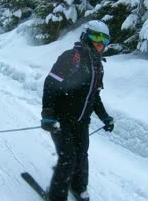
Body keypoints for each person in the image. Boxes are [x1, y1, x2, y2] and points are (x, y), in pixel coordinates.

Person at [41, 20, 115, 201]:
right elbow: (50, 85)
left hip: (82, 122)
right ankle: (56, 197)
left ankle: (79, 188)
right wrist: (48, 115)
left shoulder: (98, 65)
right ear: (86, 36)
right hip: (60, 119)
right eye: (96, 38)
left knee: (82, 156)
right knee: (69, 158)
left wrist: (105, 117)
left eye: (104, 40)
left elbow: (94, 96)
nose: (100, 44)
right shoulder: (71, 57)